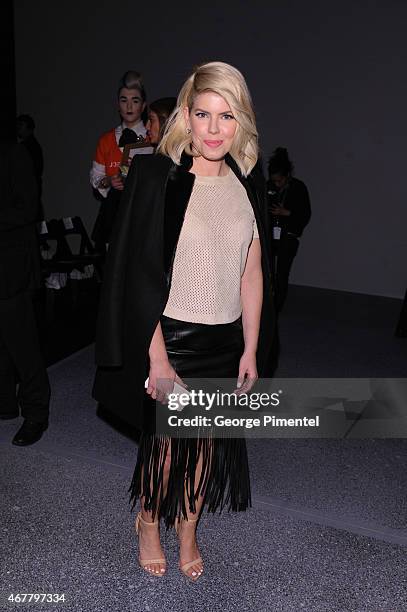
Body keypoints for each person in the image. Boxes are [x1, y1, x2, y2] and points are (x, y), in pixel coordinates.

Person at [93, 62, 275, 581]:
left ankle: (188, 528)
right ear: (185, 117)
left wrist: (251, 348)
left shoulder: (248, 184)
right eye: (203, 114)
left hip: (225, 339)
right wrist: (156, 355)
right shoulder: (157, 177)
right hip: (170, 335)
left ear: (242, 122)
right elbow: (135, 274)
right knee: (168, 452)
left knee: (206, 452)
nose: (214, 128)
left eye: (227, 115)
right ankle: (149, 520)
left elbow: (253, 273)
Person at [0, 137, 50, 445]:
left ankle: (36, 414)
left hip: (11, 264)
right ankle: (5, 403)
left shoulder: (13, 150)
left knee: (22, 343)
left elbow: (29, 208)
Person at [90, 70, 154, 250]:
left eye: (135, 101)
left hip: (145, 217)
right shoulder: (106, 140)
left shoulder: (153, 139)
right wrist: (110, 181)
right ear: (118, 105)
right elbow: (96, 179)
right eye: (123, 100)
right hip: (114, 215)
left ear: (143, 106)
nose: (129, 106)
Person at [267, 147, 311, 312]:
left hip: (289, 237)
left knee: (282, 275)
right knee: (267, 273)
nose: (276, 184)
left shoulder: (298, 188)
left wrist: (287, 213)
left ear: (287, 176)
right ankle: (266, 305)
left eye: (279, 181)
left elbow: (305, 214)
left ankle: (277, 308)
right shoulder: (268, 186)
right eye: (274, 181)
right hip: (270, 237)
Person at [16, 114, 44, 220]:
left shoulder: (24, 148)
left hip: (26, 194)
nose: (18, 127)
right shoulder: (32, 146)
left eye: (21, 124)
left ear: (29, 128)